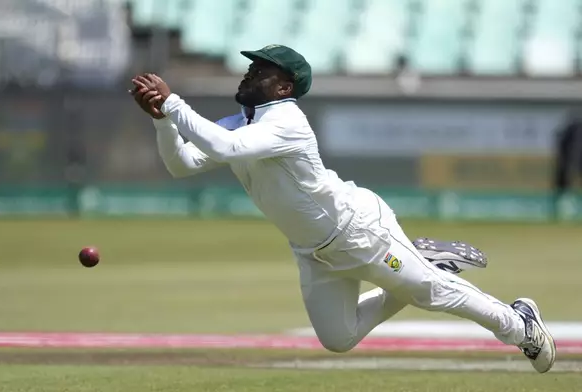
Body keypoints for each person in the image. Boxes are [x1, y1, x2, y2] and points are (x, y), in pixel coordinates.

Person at [129, 45, 556, 373]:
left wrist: (173, 103)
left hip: (358, 230)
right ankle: (428, 266)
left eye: (261, 70)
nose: (250, 72)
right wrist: (162, 122)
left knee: (430, 293)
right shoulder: (240, 121)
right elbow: (182, 164)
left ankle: (520, 326)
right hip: (312, 249)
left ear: (284, 87)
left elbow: (225, 148)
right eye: (252, 66)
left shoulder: (286, 120)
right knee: (339, 338)